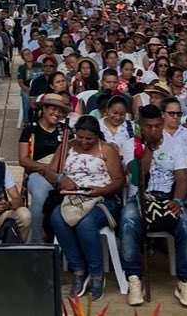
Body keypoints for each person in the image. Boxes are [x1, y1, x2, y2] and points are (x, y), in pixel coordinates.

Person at [119, 104, 187, 308]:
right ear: (140, 126)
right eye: (148, 127)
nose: (153, 130)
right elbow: (137, 177)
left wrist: (178, 201)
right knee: (127, 223)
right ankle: (134, 280)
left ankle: (184, 282)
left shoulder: (175, 145)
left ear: (162, 123)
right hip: (139, 197)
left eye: (156, 126)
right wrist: (149, 149)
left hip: (167, 197)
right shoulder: (131, 145)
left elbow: (181, 178)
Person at [50, 116, 125, 302]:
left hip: (102, 200)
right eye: (80, 137)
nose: (83, 142)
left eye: (89, 138)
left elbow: (119, 181)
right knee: (56, 218)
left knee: (86, 225)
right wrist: (61, 179)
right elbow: (49, 171)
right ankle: (79, 270)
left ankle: (97, 274)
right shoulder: (67, 146)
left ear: (96, 136)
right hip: (74, 199)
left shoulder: (106, 149)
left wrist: (102, 190)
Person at [18, 92, 69, 244]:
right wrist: (47, 168)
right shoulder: (30, 131)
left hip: (61, 174)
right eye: (53, 109)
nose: (56, 113)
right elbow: (23, 160)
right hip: (38, 174)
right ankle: (37, 241)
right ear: (44, 109)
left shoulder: (65, 131)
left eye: (60, 111)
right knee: (40, 197)